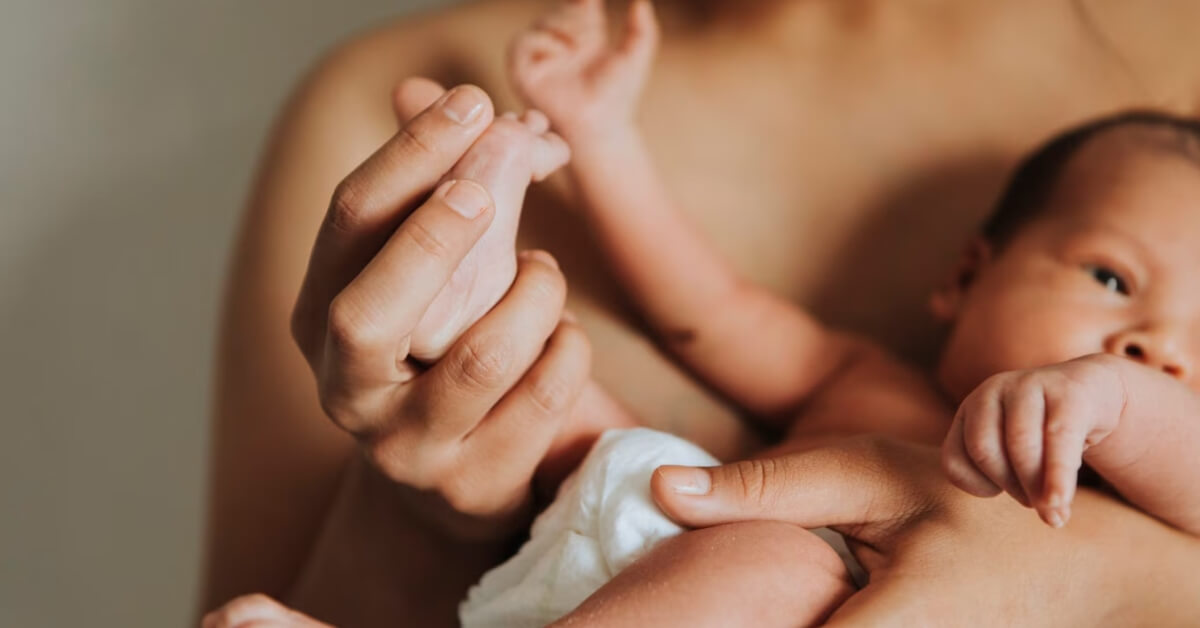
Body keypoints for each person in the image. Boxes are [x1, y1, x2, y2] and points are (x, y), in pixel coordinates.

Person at [204, 0, 1200, 625]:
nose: (1155, 343)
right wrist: (600, 146)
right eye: (1111, 281)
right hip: (636, 543)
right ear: (968, 276)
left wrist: (1113, 408)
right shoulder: (863, 382)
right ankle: (473, 267)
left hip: (740, 574)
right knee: (564, 406)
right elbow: (707, 313)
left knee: (764, 557)